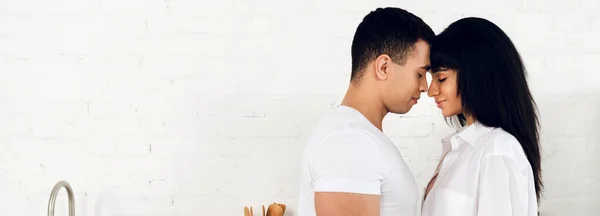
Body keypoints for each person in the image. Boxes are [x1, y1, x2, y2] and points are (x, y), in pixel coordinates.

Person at [297, 7, 435, 216]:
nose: (425, 87)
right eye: (420, 74)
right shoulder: (350, 141)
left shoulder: (355, 135)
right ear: (384, 67)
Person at [422, 17, 543, 216]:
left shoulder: (497, 150)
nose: (432, 90)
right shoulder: (461, 148)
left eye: (441, 78)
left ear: (476, 75)